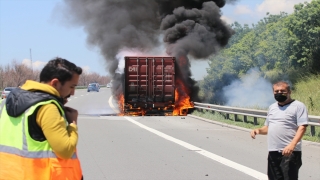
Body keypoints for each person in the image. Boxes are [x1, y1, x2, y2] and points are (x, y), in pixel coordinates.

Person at [0, 57, 83, 180]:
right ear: (55, 83)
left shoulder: (5, 103)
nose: (73, 92)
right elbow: (65, 150)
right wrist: (72, 123)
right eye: (72, 86)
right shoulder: (47, 107)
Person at [250, 81, 308, 180]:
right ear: (273, 93)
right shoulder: (272, 107)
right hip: (273, 151)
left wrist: (292, 145)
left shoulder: (298, 106)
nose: (279, 93)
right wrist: (258, 130)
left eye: (283, 91)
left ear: (289, 92)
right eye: (276, 91)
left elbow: (302, 127)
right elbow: (267, 128)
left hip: (290, 152)